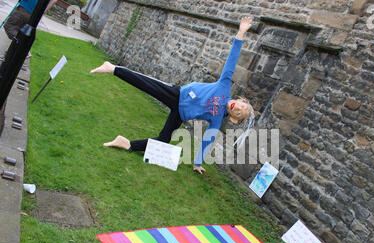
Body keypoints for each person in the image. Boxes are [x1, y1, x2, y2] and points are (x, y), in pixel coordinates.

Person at [91, 16, 255, 175]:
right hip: (178, 95)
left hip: (180, 114)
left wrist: (197, 162)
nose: (238, 108)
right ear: (240, 100)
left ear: (234, 118)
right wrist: (241, 32)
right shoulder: (225, 86)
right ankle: (112, 68)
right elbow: (232, 60)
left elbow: (208, 140)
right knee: (146, 84)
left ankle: (127, 144)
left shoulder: (217, 118)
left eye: (239, 112)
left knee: (163, 140)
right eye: (241, 105)